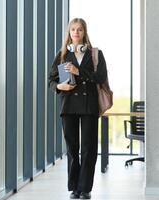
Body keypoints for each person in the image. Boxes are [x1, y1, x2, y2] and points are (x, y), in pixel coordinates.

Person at [48, 18, 108, 199]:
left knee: (88, 148)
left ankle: (85, 188)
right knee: (72, 148)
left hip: (89, 105)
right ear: (69, 33)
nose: (76, 32)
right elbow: (51, 80)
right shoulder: (62, 55)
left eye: (79, 29)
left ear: (84, 32)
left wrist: (78, 71)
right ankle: (74, 187)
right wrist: (60, 87)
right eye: (73, 29)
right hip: (68, 105)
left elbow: (100, 77)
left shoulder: (96, 54)